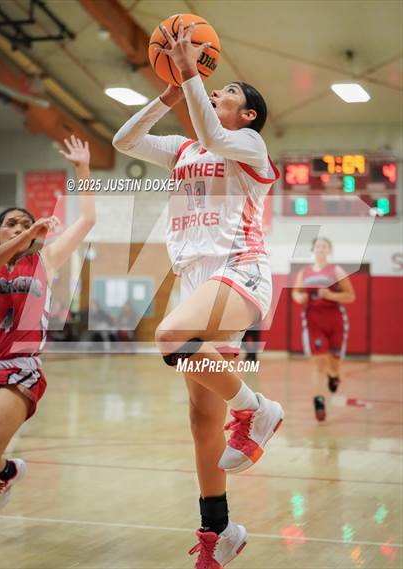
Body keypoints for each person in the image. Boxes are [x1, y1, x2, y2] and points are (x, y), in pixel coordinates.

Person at [113, 20, 284, 568]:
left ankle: (256, 409)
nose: (217, 92)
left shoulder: (249, 145)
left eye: (228, 91)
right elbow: (124, 142)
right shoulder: (183, 149)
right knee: (201, 421)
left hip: (240, 269)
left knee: (169, 337)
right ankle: (220, 530)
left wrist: (190, 73)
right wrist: (168, 95)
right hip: (194, 281)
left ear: (248, 115)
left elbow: (213, 136)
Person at [0, 136, 95, 531]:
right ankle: (7, 470)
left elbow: (87, 221)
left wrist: (82, 169)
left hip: (18, 368)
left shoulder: (45, 259)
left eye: (26, 223)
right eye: (11, 223)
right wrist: (26, 233)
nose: (20, 228)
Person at [292, 237, 356, 421]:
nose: (320, 248)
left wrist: (330, 295)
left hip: (335, 321)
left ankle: (334, 376)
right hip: (313, 321)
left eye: (324, 246)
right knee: (319, 363)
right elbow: (296, 292)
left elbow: (350, 296)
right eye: (318, 246)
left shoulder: (336, 271)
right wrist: (299, 298)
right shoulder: (304, 272)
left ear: (329, 250)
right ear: (313, 250)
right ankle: (319, 403)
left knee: (333, 363)